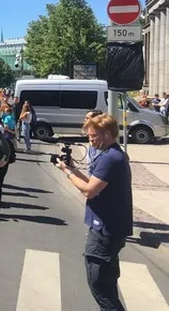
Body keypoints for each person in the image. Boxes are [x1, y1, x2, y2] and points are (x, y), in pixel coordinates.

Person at [56, 113, 132, 311]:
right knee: (108, 288)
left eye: (93, 136)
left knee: (102, 291)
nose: (90, 140)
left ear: (107, 134)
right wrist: (73, 169)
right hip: (111, 229)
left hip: (104, 231)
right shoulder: (114, 155)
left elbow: (89, 191)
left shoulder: (110, 158)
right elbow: (92, 183)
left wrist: (67, 172)